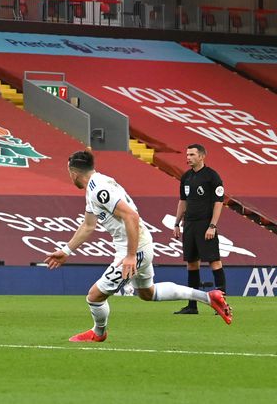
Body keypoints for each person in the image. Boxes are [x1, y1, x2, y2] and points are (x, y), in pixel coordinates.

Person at [45, 150, 232, 342]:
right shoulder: (96, 185)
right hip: (136, 245)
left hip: (134, 248)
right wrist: (66, 250)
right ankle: (209, 297)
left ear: (74, 173)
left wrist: (131, 256)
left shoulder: (99, 190)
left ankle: (98, 334)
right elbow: (88, 225)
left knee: (94, 296)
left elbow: (131, 216)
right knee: (147, 293)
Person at [173, 143, 227, 315]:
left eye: (192, 155)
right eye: (187, 154)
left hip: (205, 224)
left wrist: (213, 225)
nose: (188, 158)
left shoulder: (212, 176)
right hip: (189, 224)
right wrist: (177, 223)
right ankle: (192, 305)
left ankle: (222, 304)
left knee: (214, 261)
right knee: (191, 263)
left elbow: (219, 202)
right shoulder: (186, 177)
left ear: (202, 156)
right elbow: (183, 201)